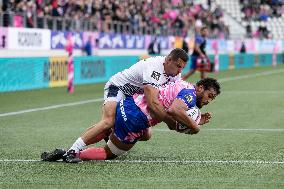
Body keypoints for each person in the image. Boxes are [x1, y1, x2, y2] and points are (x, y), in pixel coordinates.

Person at [42, 48, 189, 163]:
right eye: (178, 66)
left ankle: (105, 136)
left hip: (132, 98)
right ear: (168, 60)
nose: (179, 71)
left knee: (146, 135)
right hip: (118, 88)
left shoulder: (174, 73)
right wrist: (171, 122)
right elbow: (152, 103)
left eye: (182, 68)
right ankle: (73, 151)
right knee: (108, 121)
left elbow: (174, 94)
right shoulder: (154, 67)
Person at [42, 78, 221, 162]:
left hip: (128, 104)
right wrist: (195, 126)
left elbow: (175, 116)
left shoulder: (182, 83)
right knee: (109, 153)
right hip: (135, 119)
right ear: (200, 87)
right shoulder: (190, 96)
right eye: (209, 95)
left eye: (212, 99)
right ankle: (73, 153)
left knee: (146, 134)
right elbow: (175, 111)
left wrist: (194, 121)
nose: (208, 100)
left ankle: (83, 143)